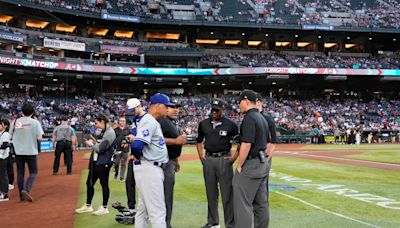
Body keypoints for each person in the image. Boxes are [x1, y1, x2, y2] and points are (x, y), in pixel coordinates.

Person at [196, 98, 239, 228]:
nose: (214, 112)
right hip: (208, 159)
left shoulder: (231, 124)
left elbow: (240, 143)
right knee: (211, 193)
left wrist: (233, 158)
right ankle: (213, 222)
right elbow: (198, 141)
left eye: (217, 110)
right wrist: (201, 157)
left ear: (222, 110)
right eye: (213, 110)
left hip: (224, 159)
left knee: (227, 194)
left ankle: (230, 224)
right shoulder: (204, 124)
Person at [131, 93, 170, 228]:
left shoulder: (147, 120)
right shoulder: (149, 120)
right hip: (149, 169)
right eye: (166, 106)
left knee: (143, 211)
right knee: (158, 212)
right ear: (158, 106)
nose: (168, 109)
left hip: (146, 168)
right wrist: (138, 156)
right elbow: (137, 145)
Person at [233, 89, 270, 228]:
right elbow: (267, 143)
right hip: (262, 163)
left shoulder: (249, 118)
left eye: (240, 102)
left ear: (246, 101)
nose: (239, 105)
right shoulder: (262, 118)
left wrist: (239, 165)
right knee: (261, 204)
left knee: (243, 204)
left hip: (251, 163)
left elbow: (247, 143)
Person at [75, 114, 116, 216]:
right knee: (89, 182)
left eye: (97, 123)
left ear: (102, 121)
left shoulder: (110, 133)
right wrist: (93, 142)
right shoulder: (100, 130)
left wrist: (91, 144)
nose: (96, 125)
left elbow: (100, 148)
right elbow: (98, 141)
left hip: (104, 161)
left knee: (104, 183)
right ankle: (88, 206)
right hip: (95, 160)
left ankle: (104, 207)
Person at [159, 100, 187, 228]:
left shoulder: (169, 122)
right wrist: (176, 141)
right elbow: (156, 140)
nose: (176, 109)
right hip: (163, 163)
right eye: (172, 107)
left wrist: (176, 160)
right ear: (165, 108)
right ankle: (165, 224)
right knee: (166, 195)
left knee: (166, 195)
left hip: (169, 161)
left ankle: (164, 223)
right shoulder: (162, 121)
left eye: (177, 107)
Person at [9, 102, 44, 202]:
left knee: (20, 173)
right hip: (31, 151)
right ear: (33, 112)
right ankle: (27, 188)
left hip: (18, 152)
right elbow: (39, 137)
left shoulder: (15, 122)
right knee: (33, 172)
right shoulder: (35, 122)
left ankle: (22, 197)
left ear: (22, 111)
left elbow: (10, 136)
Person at [113, 117, 130, 182]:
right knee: (116, 163)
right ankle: (116, 173)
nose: (122, 122)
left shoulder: (128, 130)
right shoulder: (115, 130)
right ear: (119, 122)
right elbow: (113, 139)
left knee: (124, 164)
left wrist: (127, 143)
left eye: (123, 121)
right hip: (117, 149)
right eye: (121, 121)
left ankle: (122, 177)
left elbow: (130, 138)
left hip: (125, 149)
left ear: (125, 122)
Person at [0, 119, 11, 201]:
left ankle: (4, 194)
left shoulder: (6, 134)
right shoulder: (1, 134)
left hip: (2, 157)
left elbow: (5, 145)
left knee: (3, 175)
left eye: (1, 124)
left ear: (5, 126)